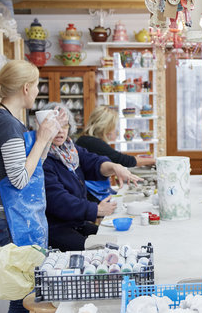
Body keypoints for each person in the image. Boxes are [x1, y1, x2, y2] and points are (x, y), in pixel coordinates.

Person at [0, 60, 63, 313]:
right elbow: (18, 180)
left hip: (15, 214)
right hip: (11, 218)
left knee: (27, 296)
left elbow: (32, 168)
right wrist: (40, 138)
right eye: (37, 85)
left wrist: (49, 136)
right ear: (26, 88)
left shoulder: (8, 120)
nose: (38, 91)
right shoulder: (6, 124)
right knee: (24, 300)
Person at [41, 102, 142, 251]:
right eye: (55, 126)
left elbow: (93, 162)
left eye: (64, 126)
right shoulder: (43, 158)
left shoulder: (70, 149)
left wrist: (114, 167)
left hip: (76, 223)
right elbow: (58, 200)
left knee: (120, 241)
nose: (60, 131)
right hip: (56, 229)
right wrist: (96, 210)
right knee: (103, 251)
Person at [76, 105, 156, 167]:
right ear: (106, 126)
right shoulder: (92, 142)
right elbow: (123, 160)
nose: (115, 130)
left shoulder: (86, 140)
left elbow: (116, 156)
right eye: (114, 126)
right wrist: (154, 161)